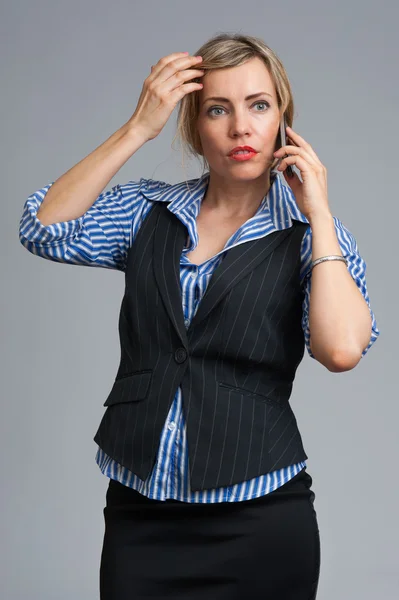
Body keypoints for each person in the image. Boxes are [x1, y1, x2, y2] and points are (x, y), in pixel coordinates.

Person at [19, 33, 379, 600]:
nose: (241, 127)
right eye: (218, 109)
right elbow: (41, 229)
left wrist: (320, 214)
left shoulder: (314, 237)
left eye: (259, 105)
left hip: (261, 526)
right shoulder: (148, 211)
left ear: (283, 119)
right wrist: (137, 128)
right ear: (194, 125)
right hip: (142, 521)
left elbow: (340, 351)